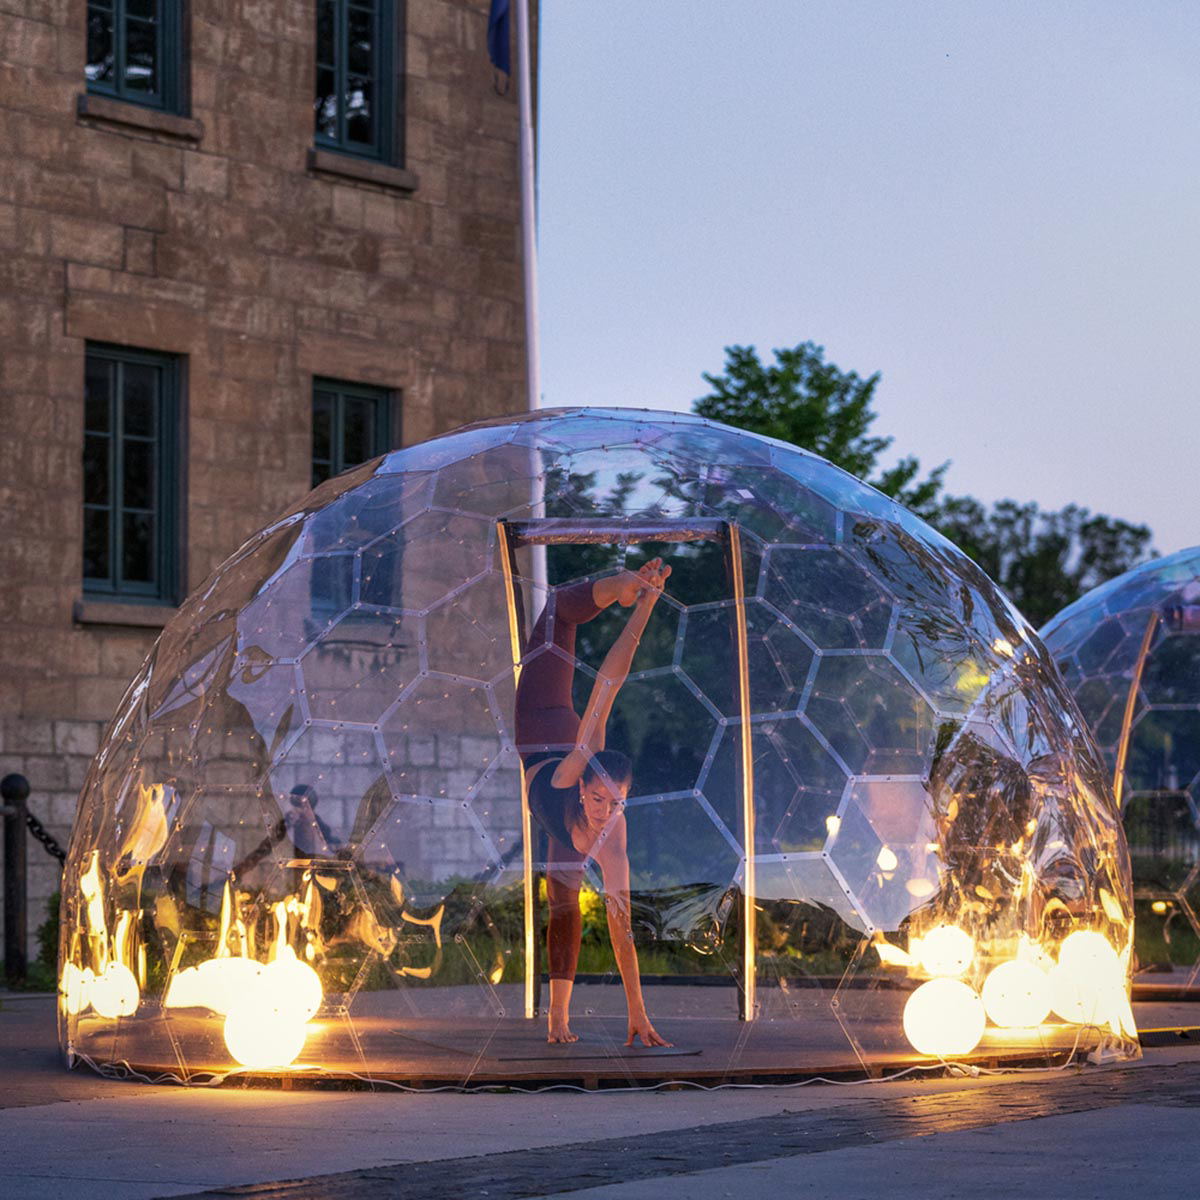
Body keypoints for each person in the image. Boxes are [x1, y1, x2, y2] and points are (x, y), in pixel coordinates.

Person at [515, 559, 673, 1047]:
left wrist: (639, 1015)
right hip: (546, 724)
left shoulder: (612, 837)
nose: (605, 811)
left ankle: (556, 1019)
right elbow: (610, 680)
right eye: (600, 798)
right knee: (559, 609)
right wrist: (640, 600)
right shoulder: (578, 767)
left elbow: (622, 931)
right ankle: (615, 582)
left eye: (617, 803)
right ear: (584, 788)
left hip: (566, 800)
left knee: (564, 905)